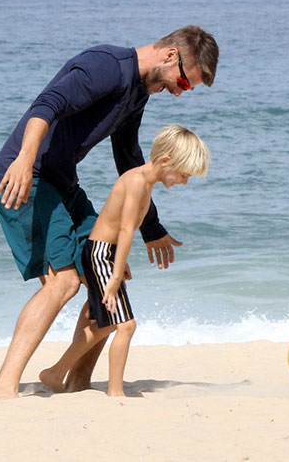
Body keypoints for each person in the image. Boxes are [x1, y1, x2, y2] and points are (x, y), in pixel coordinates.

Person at [0, 26, 219, 399]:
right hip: (26, 179)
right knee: (64, 282)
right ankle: (3, 387)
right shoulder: (106, 66)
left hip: (62, 185)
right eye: (184, 83)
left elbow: (129, 160)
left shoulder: (136, 94)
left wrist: (152, 228)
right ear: (171, 56)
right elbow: (47, 104)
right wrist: (25, 160)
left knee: (106, 270)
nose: (179, 92)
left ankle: (77, 380)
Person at [39, 125, 210, 396]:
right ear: (167, 161)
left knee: (105, 324)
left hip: (104, 254)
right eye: (184, 174)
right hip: (99, 255)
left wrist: (117, 263)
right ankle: (115, 391)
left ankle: (56, 372)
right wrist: (114, 275)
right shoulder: (136, 182)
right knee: (126, 325)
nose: (184, 182)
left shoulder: (146, 182)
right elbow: (126, 230)